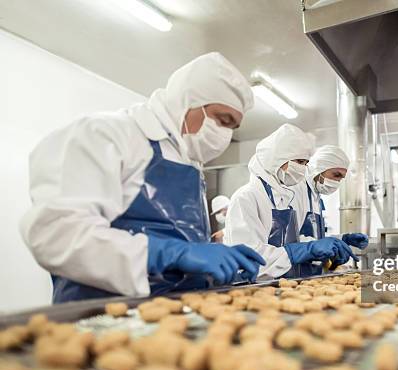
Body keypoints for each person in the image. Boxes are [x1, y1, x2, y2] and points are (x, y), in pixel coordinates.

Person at [20, 52, 265, 303]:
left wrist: (208, 253)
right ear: (188, 101)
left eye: (232, 127)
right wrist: (169, 253)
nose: (224, 135)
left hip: (177, 315)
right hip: (101, 317)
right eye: (222, 120)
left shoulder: (190, 162)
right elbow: (55, 234)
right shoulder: (107, 136)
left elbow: (179, 239)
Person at [224, 124, 358, 279]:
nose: (303, 169)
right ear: (276, 159)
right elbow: (246, 258)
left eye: (305, 164)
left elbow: (296, 240)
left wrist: (328, 244)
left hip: (281, 284)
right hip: (252, 287)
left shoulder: (285, 198)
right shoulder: (246, 197)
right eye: (299, 162)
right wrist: (300, 251)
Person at [293, 145, 369, 274]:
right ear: (319, 169)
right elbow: (288, 240)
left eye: (341, 178)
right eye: (336, 175)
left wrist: (343, 239)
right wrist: (316, 247)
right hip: (294, 271)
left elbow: (316, 238)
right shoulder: (296, 191)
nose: (338, 181)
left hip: (312, 272)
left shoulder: (316, 196)